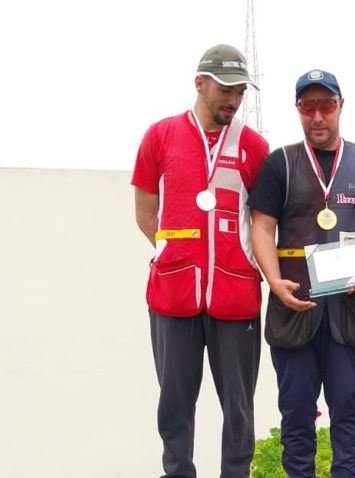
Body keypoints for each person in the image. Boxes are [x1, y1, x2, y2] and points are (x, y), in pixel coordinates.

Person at [248, 69, 355, 477]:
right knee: (296, 419)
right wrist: (273, 280)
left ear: (340, 106)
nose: (318, 117)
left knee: (349, 415)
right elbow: (261, 227)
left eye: (326, 106)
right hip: (293, 307)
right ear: (298, 109)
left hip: (350, 311)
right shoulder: (279, 163)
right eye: (308, 107)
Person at [131, 44, 269, 478]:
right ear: (200, 84)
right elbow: (145, 212)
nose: (232, 99)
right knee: (174, 405)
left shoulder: (254, 146)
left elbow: (264, 224)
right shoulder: (161, 136)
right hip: (174, 295)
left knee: (239, 409)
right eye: (225, 89)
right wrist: (173, 253)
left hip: (235, 297)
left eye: (240, 92)